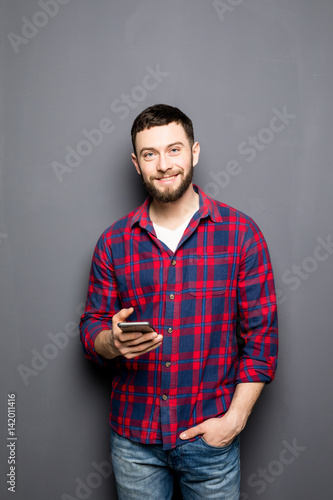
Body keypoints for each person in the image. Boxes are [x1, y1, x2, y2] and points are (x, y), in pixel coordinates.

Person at [79, 104, 278, 500]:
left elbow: (261, 339)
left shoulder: (241, 234)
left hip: (211, 442)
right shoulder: (113, 241)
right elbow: (91, 327)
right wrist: (110, 341)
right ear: (136, 164)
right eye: (150, 154)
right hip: (134, 442)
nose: (163, 164)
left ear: (194, 152)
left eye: (174, 150)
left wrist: (233, 421)